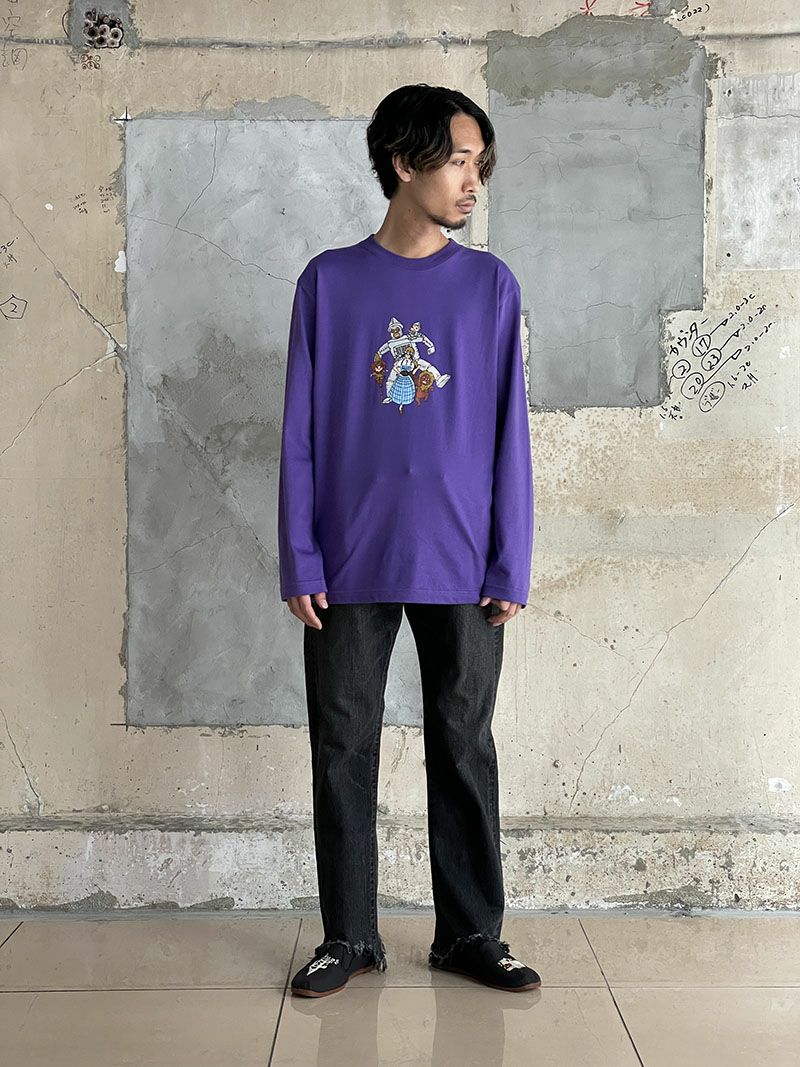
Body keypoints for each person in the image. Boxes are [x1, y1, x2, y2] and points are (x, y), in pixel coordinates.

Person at [277, 83, 540, 998]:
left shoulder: (489, 286)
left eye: (479, 164)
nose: (473, 181)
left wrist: (512, 557)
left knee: (464, 744)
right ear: (403, 162)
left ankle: (470, 934)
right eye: (459, 161)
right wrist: (299, 554)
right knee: (342, 742)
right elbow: (300, 434)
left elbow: (510, 432)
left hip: (464, 560)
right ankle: (349, 934)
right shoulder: (328, 283)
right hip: (347, 558)